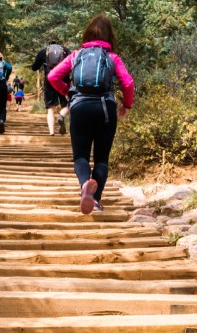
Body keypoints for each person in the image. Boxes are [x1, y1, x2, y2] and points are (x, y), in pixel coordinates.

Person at [47, 15, 134, 215]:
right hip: (105, 108)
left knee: (81, 156)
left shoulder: (76, 55)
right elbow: (128, 83)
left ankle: (85, 184)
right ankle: (95, 200)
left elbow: (53, 76)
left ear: (87, 34)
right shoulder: (112, 57)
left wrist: (68, 92)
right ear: (109, 36)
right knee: (102, 159)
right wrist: (126, 105)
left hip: (80, 107)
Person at [31, 41, 71, 136]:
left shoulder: (43, 52)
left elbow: (34, 67)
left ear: (49, 45)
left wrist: (42, 63)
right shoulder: (65, 50)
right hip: (63, 79)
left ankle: (52, 132)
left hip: (49, 80)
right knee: (66, 102)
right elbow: (73, 63)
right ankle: (62, 115)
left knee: (50, 107)